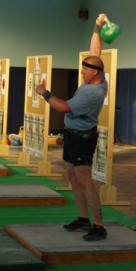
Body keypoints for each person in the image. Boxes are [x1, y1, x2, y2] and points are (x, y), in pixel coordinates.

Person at [35, 13, 108, 241]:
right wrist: (97, 27)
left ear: (95, 72)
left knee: (84, 179)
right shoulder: (97, 77)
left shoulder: (92, 93)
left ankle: (99, 226)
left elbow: (63, 107)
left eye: (85, 69)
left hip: (82, 139)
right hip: (72, 136)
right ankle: (83, 219)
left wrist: (44, 93)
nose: (82, 72)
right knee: (72, 175)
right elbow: (95, 53)